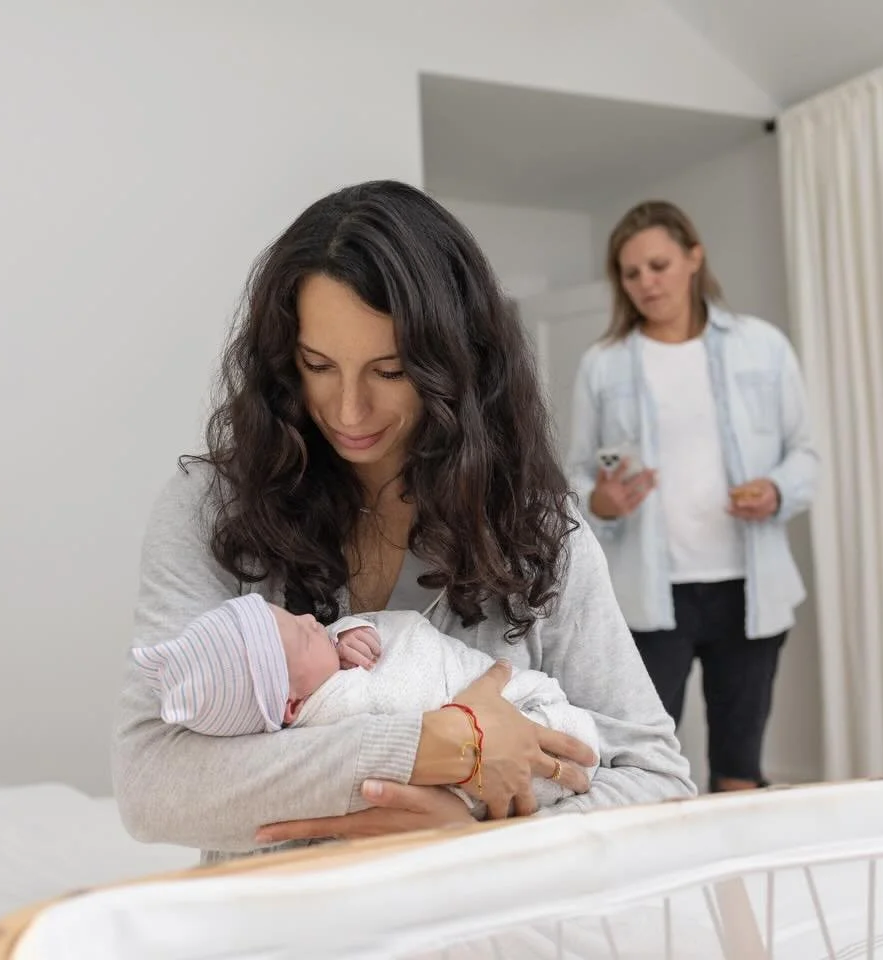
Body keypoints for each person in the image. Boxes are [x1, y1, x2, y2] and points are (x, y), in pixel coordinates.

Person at [111, 180, 694, 860]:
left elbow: (660, 783)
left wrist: (468, 833)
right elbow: (151, 783)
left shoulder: (536, 530)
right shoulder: (210, 508)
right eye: (318, 366)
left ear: (456, 365)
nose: (349, 411)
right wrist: (435, 747)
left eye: (389, 370)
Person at [566, 200, 817, 794]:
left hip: (750, 591)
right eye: (631, 274)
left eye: (658, 265)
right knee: (638, 770)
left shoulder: (764, 347)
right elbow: (574, 479)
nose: (646, 283)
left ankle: (740, 889)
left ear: (693, 258)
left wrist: (776, 489)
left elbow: (806, 454)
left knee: (739, 765)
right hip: (646, 600)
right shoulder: (602, 366)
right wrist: (603, 502)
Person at [130, 594, 600, 813]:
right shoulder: (337, 713)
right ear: (291, 708)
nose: (312, 618)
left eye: (295, 615)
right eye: (300, 633)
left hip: (509, 701)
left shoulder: (325, 666)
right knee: (567, 746)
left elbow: (387, 637)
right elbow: (406, 701)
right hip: (518, 752)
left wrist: (349, 631)